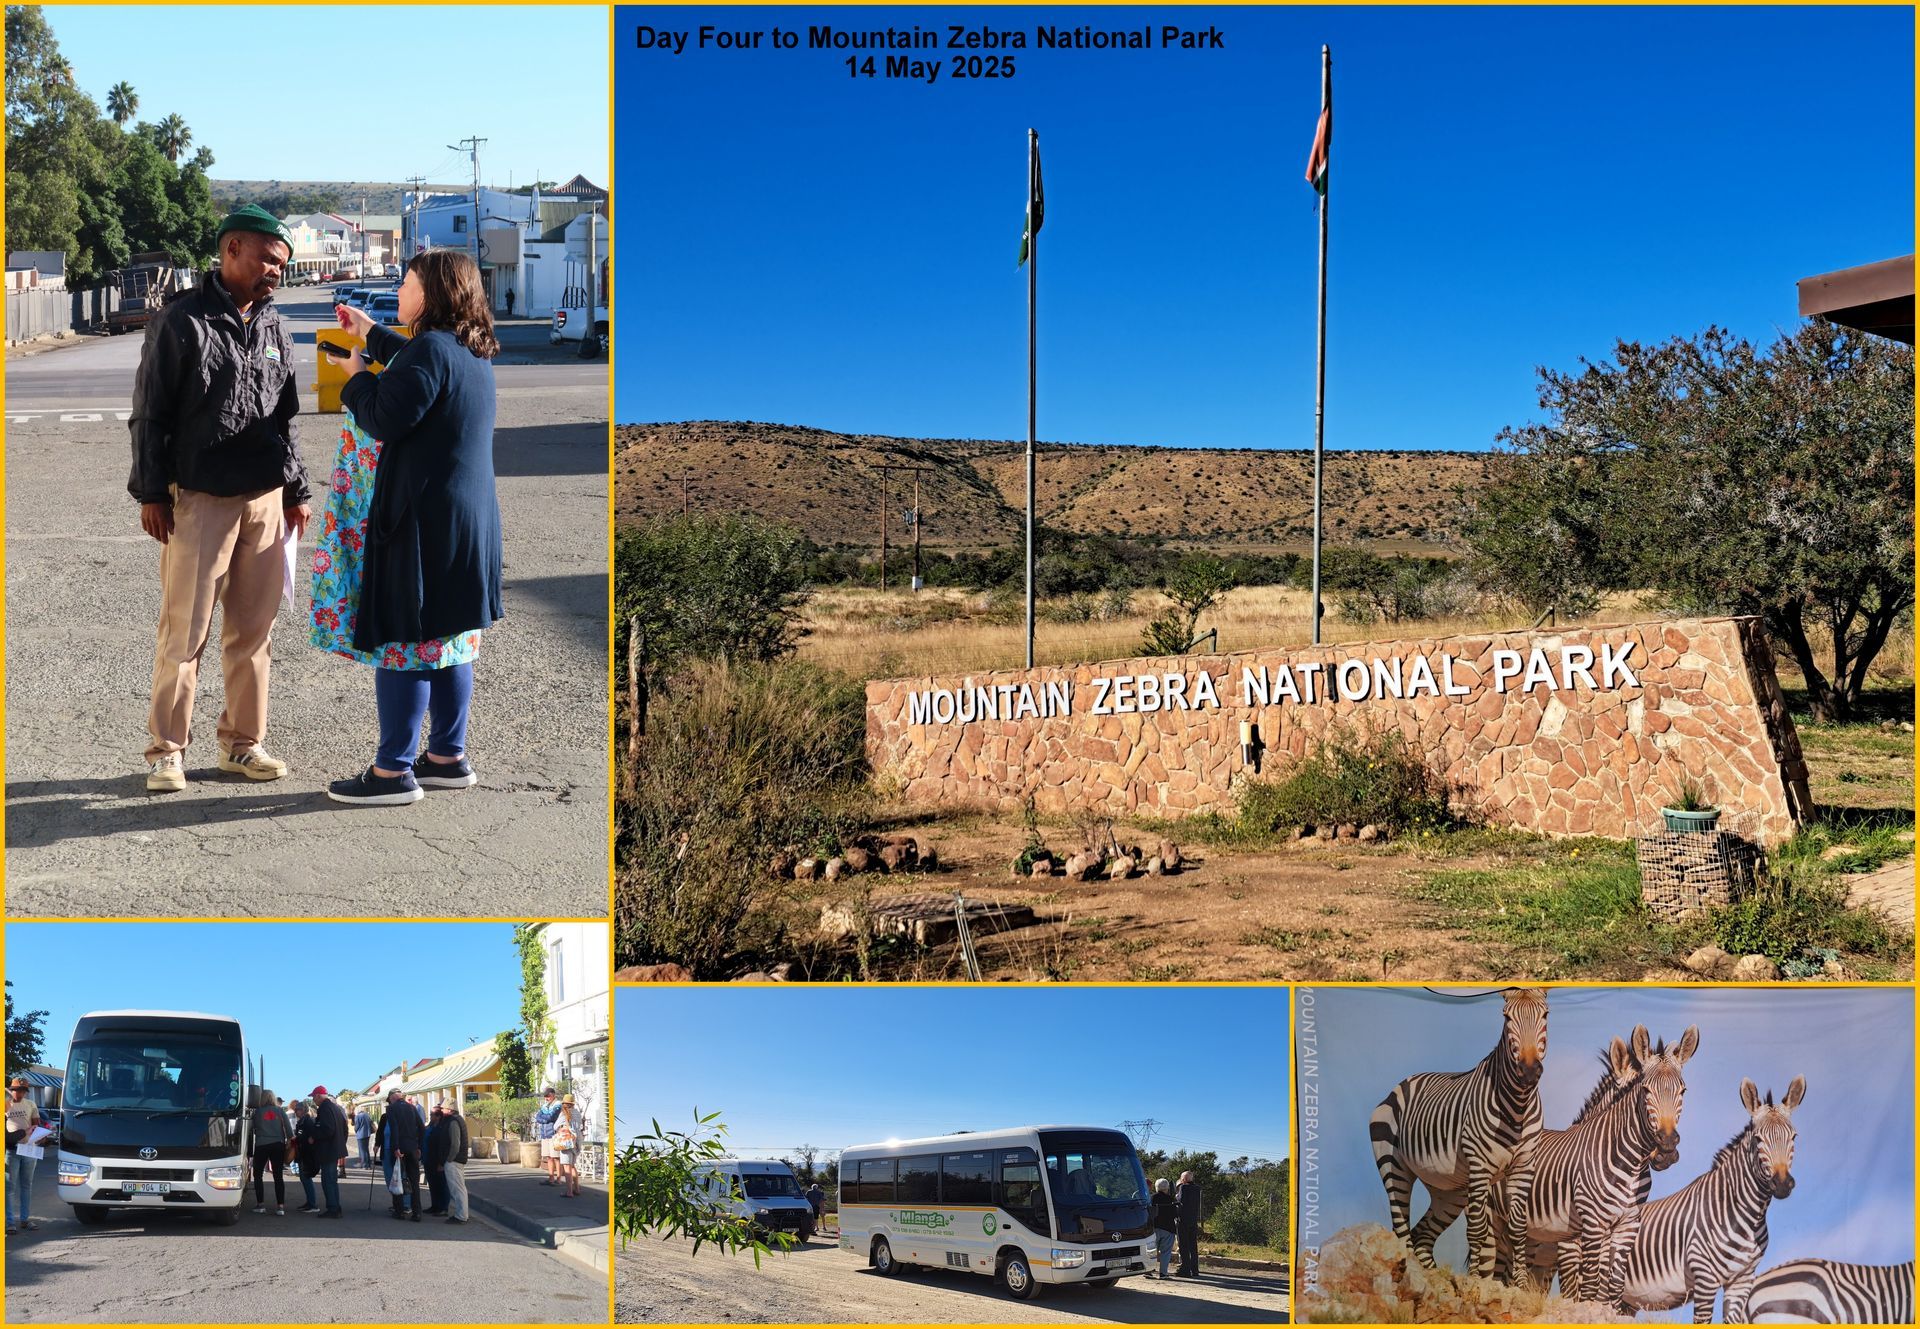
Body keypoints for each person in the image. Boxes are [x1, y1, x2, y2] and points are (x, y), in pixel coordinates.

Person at [130, 204, 312, 792]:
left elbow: (285, 418)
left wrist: (297, 491)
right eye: (267, 258)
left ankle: (242, 744)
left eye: (282, 264)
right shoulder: (181, 321)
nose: (276, 271)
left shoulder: (275, 327)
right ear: (232, 249)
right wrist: (153, 492)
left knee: (253, 633)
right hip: (201, 499)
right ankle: (167, 751)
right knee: (184, 631)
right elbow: (149, 413)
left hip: (264, 498)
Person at [322, 249, 504, 806]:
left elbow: (384, 415)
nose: (399, 291)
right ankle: (448, 757)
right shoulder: (470, 352)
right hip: (466, 525)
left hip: (422, 525)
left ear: (431, 293)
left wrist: (355, 379)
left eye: (406, 282)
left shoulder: (432, 350)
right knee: (451, 638)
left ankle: (391, 773)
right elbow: (415, 370)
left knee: (404, 642)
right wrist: (372, 333)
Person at [378, 1088, 423, 1221]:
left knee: (396, 1177)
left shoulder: (392, 1109)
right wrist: (419, 1146)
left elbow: (394, 1129)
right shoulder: (412, 1108)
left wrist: (396, 1147)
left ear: (392, 1098)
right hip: (412, 1148)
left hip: (399, 1149)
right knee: (414, 1181)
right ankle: (417, 1213)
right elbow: (421, 1127)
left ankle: (399, 1211)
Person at [6, 1077, 42, 1234]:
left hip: (29, 1149)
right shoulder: (5, 1105)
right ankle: (9, 1222)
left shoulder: (31, 1104)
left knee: (26, 1186)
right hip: (12, 1150)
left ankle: (25, 1219)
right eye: (16, 1090)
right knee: (9, 1188)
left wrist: (42, 1135)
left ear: (25, 1091)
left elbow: (36, 1125)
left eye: (22, 1090)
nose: (18, 1093)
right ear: (11, 1090)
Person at [250, 1090, 291, 1215]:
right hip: (278, 1145)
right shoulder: (280, 1111)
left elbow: (253, 1129)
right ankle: (280, 1207)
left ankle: (260, 1205)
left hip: (262, 1144)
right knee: (278, 1176)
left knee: (258, 1175)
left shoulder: (257, 1112)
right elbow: (289, 1130)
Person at [309, 1085, 347, 1217]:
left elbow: (328, 1129)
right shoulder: (335, 1108)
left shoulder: (324, 1108)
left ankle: (333, 1209)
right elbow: (344, 1127)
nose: (313, 1100)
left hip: (328, 1150)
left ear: (319, 1096)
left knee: (328, 1181)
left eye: (313, 1097)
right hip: (335, 1148)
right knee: (331, 1180)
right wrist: (341, 1143)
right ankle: (335, 1207)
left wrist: (314, 1136)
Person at [441, 1101, 470, 1224]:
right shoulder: (457, 1119)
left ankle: (461, 1216)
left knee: (457, 1189)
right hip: (458, 1159)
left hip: (455, 1160)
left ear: (450, 1109)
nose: (441, 1110)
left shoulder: (453, 1122)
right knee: (459, 1188)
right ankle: (462, 1214)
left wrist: (449, 1159)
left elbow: (455, 1144)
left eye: (443, 1108)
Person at [291, 1100, 321, 1212]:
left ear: (303, 1110)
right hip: (304, 1153)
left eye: (297, 1110)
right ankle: (309, 1202)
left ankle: (312, 1204)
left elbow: (307, 1137)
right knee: (304, 1178)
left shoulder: (307, 1121)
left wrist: (297, 1139)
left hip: (307, 1154)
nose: (295, 1112)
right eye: (295, 1110)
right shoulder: (304, 1120)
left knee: (306, 1178)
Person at [554, 1093, 582, 1198]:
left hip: (566, 1141)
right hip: (576, 1141)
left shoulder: (564, 1114)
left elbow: (555, 1126)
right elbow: (579, 1127)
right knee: (573, 1166)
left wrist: (561, 1128)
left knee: (567, 1167)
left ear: (564, 1103)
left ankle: (569, 1192)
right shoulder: (577, 1113)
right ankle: (577, 1189)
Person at [1175, 1170, 1202, 1278]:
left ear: (1184, 1179)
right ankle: (1195, 1269)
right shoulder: (1197, 1188)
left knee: (1183, 1245)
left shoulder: (1183, 1187)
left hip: (1183, 1220)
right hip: (1193, 1220)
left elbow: (1181, 1201)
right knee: (1193, 1245)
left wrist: (1177, 1196)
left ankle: (1185, 1269)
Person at [533, 1087, 563, 1185]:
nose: (546, 1098)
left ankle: (558, 1179)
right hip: (544, 1134)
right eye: (545, 1096)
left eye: (548, 1096)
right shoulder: (545, 1106)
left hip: (553, 1133)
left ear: (553, 1095)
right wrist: (545, 1119)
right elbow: (538, 1117)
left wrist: (544, 1118)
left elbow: (552, 1116)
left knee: (556, 1157)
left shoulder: (558, 1104)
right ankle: (551, 1178)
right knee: (549, 1157)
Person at [424, 1104, 449, 1216]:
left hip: (437, 1160)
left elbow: (443, 1146)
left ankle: (443, 1208)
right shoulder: (430, 1126)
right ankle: (435, 1206)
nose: (430, 1116)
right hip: (428, 1159)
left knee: (441, 1184)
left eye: (432, 1114)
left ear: (438, 1116)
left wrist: (441, 1162)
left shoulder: (442, 1128)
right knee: (432, 1184)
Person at [1151, 1178, 1177, 1279]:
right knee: (1165, 1252)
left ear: (1157, 1187)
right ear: (1167, 1188)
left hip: (1154, 1228)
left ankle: (1149, 1270)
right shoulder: (1171, 1199)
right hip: (1168, 1229)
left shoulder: (1152, 1198)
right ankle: (1163, 1273)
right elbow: (1175, 1214)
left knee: (1152, 1251)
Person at [354, 1102, 373, 1171]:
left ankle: (364, 1165)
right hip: (367, 1134)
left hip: (360, 1135)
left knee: (362, 1150)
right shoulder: (366, 1115)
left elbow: (356, 1127)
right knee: (366, 1150)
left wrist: (355, 1130)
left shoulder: (358, 1116)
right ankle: (369, 1164)